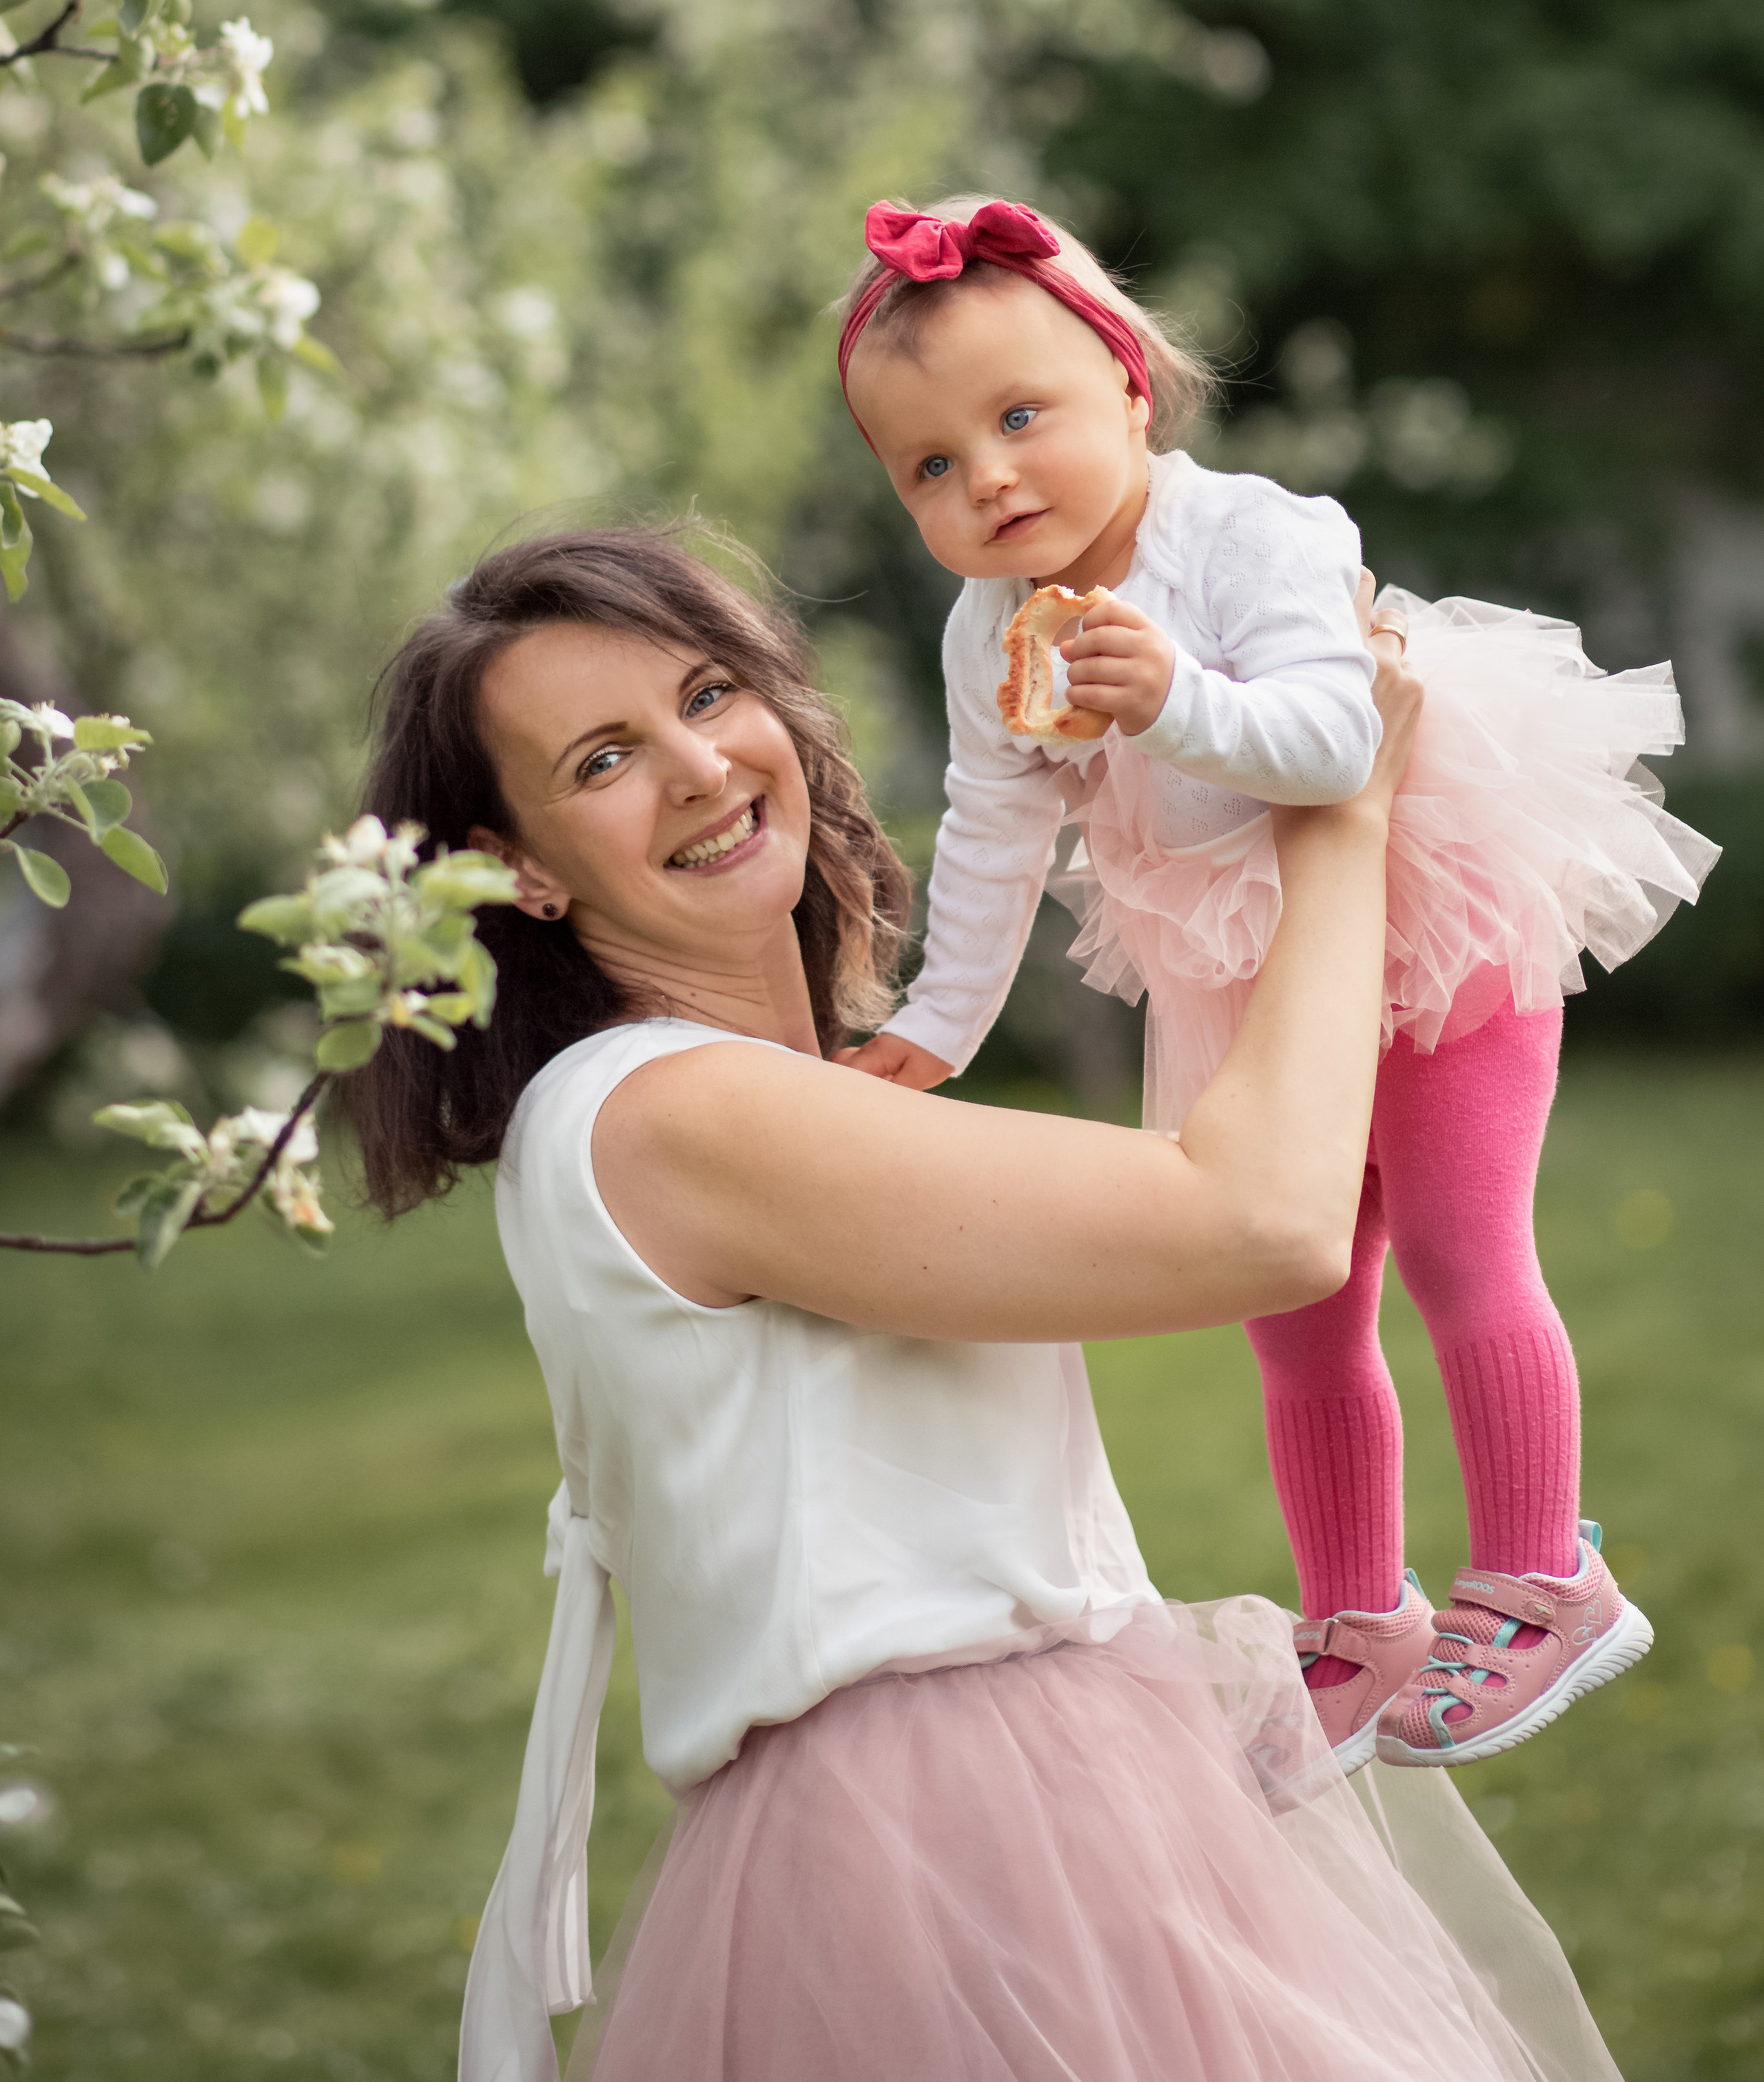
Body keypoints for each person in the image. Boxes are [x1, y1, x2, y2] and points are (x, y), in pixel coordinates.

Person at [348, 526, 1621, 2082]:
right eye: (606, 757)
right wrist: (1339, 817)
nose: (696, 768)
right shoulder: (673, 1116)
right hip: (945, 1850)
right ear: (523, 868)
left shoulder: (759, 1097)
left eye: (707, 694)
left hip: (1043, 1796)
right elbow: (1266, 1220)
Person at [836, 194, 1717, 1774]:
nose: (988, 480)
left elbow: (1332, 743)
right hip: (1241, 964)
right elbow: (990, 834)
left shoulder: (1252, 535)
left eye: (1017, 417)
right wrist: (931, 1027)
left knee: (1459, 1245)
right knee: (1292, 1301)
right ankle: (1356, 1623)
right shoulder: (990, 635)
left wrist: (1173, 698)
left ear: (1124, 381)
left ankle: (1543, 1577)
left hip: (1421, 902)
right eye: (930, 467)